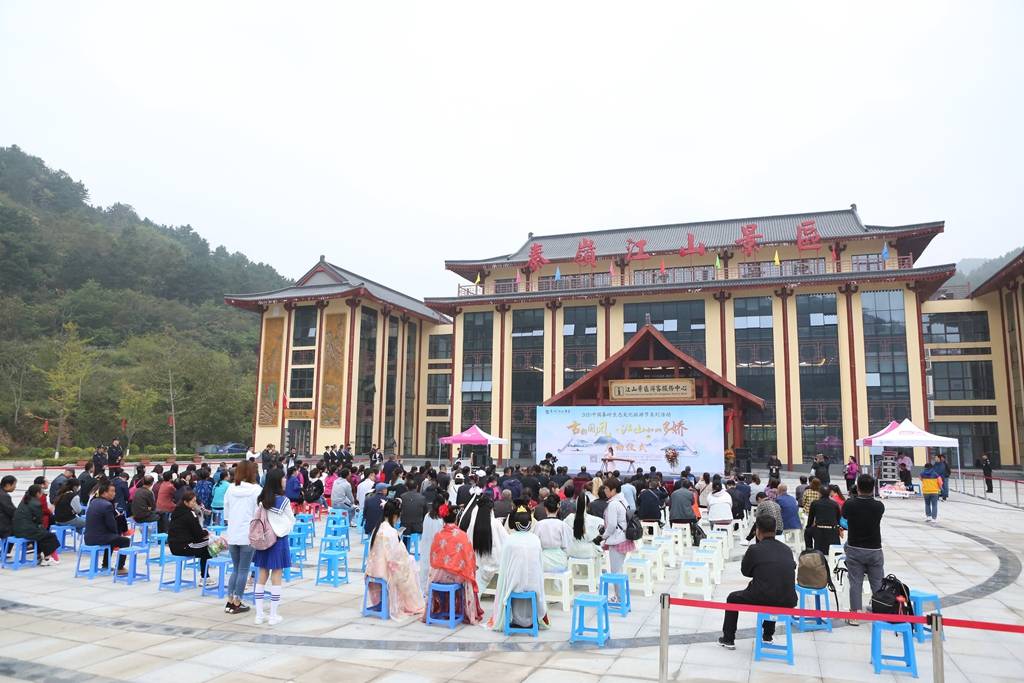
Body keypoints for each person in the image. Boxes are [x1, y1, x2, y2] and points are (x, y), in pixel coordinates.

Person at [718, 515, 797, 649]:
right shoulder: (786, 549)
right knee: (772, 586)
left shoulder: (755, 549)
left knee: (733, 598)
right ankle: (767, 635)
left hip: (764, 596)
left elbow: (746, 572)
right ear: (775, 529)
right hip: (788, 599)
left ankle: (728, 638)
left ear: (757, 531)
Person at [488, 506, 548, 632]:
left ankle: (517, 620)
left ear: (515, 523)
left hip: (513, 586)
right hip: (534, 586)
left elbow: (504, 567)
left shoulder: (510, 540)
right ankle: (531, 619)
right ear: (530, 523)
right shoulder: (535, 539)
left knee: (511, 578)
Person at [426, 501, 484, 624]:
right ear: (456, 518)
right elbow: (469, 558)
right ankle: (465, 611)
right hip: (455, 577)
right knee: (467, 575)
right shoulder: (462, 536)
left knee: (436, 573)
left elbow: (432, 558)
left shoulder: (438, 535)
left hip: (438, 576)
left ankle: (439, 609)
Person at [366, 498, 424, 619]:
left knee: (408, 563)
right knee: (411, 566)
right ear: (394, 515)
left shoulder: (377, 529)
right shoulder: (391, 532)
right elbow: (397, 557)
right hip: (386, 572)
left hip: (372, 569)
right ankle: (411, 603)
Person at [252, 468, 296, 626]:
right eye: (283, 478)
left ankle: (259, 615)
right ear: (277, 481)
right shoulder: (284, 501)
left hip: (263, 541)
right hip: (278, 540)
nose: (285, 480)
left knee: (261, 576)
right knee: (276, 576)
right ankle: (273, 615)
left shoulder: (261, 499)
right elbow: (291, 520)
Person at [841, 474, 886, 625]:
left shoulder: (850, 504)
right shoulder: (879, 506)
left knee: (856, 582)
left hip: (855, 548)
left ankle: (855, 615)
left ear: (858, 487)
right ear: (873, 488)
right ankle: (880, 611)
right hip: (874, 549)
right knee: (877, 582)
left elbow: (844, 516)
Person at [223, 460, 261, 615]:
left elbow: (226, 513)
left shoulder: (230, 489)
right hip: (248, 535)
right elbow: (259, 513)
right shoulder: (256, 490)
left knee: (236, 569)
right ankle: (238, 602)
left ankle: (230, 601)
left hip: (233, 533)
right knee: (243, 570)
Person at [459, 494, 507, 593]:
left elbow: (468, 544)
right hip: (495, 563)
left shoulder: (472, 524)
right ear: (491, 510)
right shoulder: (496, 523)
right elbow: (506, 540)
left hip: (478, 564)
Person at [600, 477, 634, 602]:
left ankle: (619, 597)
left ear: (613, 490)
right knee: (618, 569)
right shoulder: (623, 500)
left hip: (617, 539)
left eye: (607, 489)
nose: (605, 491)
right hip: (623, 537)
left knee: (615, 571)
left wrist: (603, 537)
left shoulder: (613, 504)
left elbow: (612, 525)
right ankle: (620, 596)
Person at [84, 481, 130, 574]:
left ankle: (106, 564)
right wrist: (116, 533)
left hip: (88, 537)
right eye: (112, 491)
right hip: (99, 537)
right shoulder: (107, 505)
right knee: (125, 541)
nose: (114, 493)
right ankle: (120, 567)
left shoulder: (94, 501)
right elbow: (111, 524)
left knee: (112, 538)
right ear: (104, 492)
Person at [168, 490, 213, 582]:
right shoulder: (190, 514)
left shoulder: (176, 512)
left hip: (174, 546)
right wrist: (206, 534)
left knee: (206, 545)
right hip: (184, 546)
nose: (194, 503)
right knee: (209, 546)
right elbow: (198, 534)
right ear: (186, 502)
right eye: (193, 501)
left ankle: (205, 575)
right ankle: (205, 578)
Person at [13, 484, 62, 566]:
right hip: (26, 530)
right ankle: (47, 558)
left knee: (43, 534)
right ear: (37, 493)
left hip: (16, 529)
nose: (42, 494)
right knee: (50, 536)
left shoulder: (25, 500)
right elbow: (39, 520)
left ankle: (40, 555)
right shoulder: (36, 503)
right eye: (41, 492)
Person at [564, 492, 603, 577]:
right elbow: (601, 532)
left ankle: (574, 577)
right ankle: (595, 578)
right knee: (599, 553)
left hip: (572, 550)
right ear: (588, 505)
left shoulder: (569, 518)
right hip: (588, 551)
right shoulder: (595, 520)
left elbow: (565, 532)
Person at [533, 495, 571, 571]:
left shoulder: (539, 524)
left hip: (543, 561)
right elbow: (567, 547)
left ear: (545, 509)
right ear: (558, 508)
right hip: (560, 561)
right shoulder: (563, 525)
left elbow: (535, 545)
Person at [806, 484, 842, 551]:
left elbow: (810, 519)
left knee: (807, 532)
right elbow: (838, 518)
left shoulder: (815, 503)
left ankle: (809, 550)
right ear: (829, 493)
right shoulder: (834, 504)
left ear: (820, 493)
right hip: (832, 530)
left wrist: (808, 527)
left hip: (819, 529)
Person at [0, 475, 17, 542]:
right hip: (3, 526)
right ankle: (5, 550)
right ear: (7, 485)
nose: (15, 487)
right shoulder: (4, 496)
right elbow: (11, 511)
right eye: (14, 485)